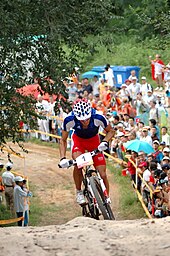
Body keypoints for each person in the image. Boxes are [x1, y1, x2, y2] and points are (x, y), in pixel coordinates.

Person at [58, 98, 114, 204]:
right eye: (82, 120)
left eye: (87, 119)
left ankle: (106, 197)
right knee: (78, 164)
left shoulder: (98, 116)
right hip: (79, 142)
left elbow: (111, 131)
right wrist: (62, 158)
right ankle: (79, 191)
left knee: (102, 174)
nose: (85, 122)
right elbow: (63, 140)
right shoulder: (69, 119)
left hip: (94, 141)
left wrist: (105, 142)